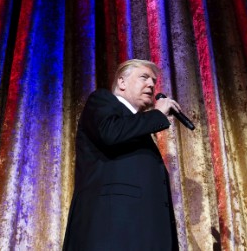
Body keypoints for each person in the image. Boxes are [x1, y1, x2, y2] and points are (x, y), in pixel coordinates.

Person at [63, 59, 180, 250]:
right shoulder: (102, 100)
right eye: (144, 77)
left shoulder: (136, 128)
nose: (151, 84)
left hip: (141, 235)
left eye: (153, 81)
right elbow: (110, 133)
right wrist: (157, 115)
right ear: (122, 82)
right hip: (112, 231)